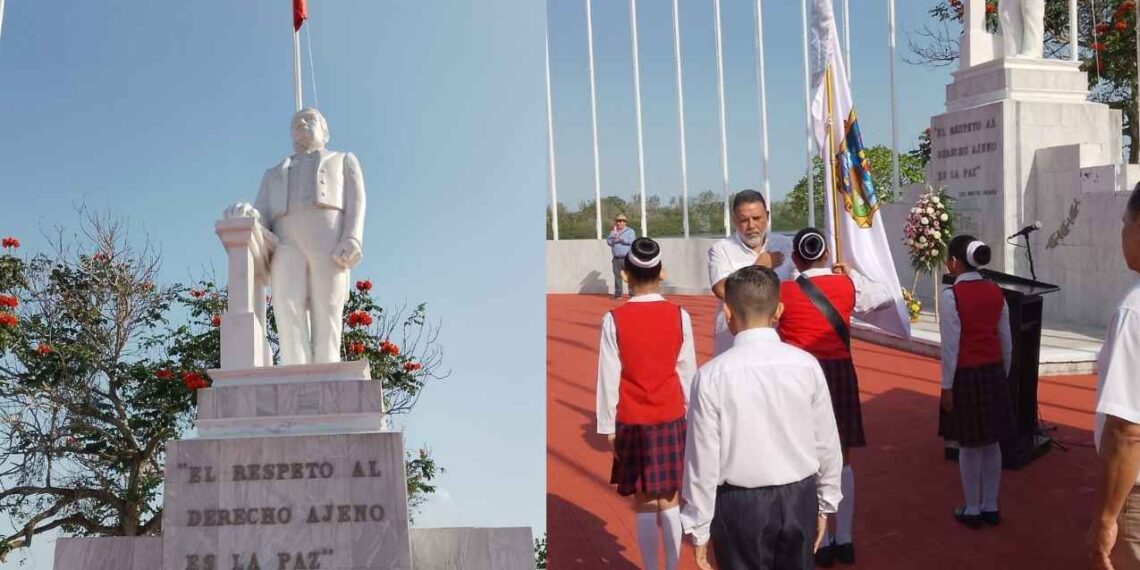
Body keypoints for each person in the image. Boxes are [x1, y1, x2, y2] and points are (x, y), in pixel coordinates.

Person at [682, 265, 842, 570]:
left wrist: (699, 528)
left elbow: (701, 461)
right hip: (799, 498)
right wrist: (825, 503)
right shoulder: (806, 365)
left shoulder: (710, 376)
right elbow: (827, 442)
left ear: (727, 313)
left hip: (739, 507)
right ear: (779, 310)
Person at [775, 228, 894, 566]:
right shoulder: (845, 285)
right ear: (826, 254)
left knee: (807, 457)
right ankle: (845, 538)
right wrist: (849, 274)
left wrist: (788, 271)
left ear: (797, 257)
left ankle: (822, 540)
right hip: (839, 373)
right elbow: (886, 294)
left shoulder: (783, 290)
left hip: (800, 376)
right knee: (842, 458)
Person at [226, 108, 366, 365]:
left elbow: (357, 201)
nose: (301, 123)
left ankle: (328, 367)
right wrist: (247, 212)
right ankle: (294, 367)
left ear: (325, 130)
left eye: (309, 119)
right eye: (295, 122)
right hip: (286, 242)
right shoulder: (274, 173)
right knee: (285, 304)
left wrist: (352, 237)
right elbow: (261, 213)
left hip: (329, 238)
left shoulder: (343, 160)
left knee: (328, 307)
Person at [596, 237, 697, 570]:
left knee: (643, 500)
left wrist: (608, 426)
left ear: (625, 274)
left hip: (632, 419)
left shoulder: (614, 319)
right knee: (669, 498)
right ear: (662, 272)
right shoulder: (679, 316)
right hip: (671, 416)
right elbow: (688, 372)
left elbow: (608, 376)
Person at [938, 235, 1013, 529]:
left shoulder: (950, 296)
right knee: (992, 441)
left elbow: (950, 346)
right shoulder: (996, 291)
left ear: (954, 262)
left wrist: (947, 386)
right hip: (993, 370)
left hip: (966, 375)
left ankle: (972, 508)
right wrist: (1003, 373)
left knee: (969, 444)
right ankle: (991, 506)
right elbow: (1006, 340)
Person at [1088, 183, 1140, 570]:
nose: (1121, 232)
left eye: (1124, 222)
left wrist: (1106, 518)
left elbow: (1127, 430)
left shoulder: (1133, 313)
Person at [707, 190, 794, 355]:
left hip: (778, 339)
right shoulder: (721, 249)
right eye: (744, 220)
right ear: (734, 221)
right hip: (733, 343)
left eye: (757, 218)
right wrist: (760, 267)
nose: (751, 226)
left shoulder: (786, 245)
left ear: (767, 216)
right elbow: (721, 289)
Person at [607, 214, 637, 299]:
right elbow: (608, 242)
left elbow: (632, 241)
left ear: (625, 222)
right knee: (617, 276)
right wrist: (613, 239)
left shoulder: (630, 231)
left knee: (630, 276)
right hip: (616, 258)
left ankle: (632, 294)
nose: (619, 223)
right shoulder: (613, 231)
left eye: (621, 221)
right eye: (617, 221)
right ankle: (618, 294)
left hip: (627, 258)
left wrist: (621, 239)